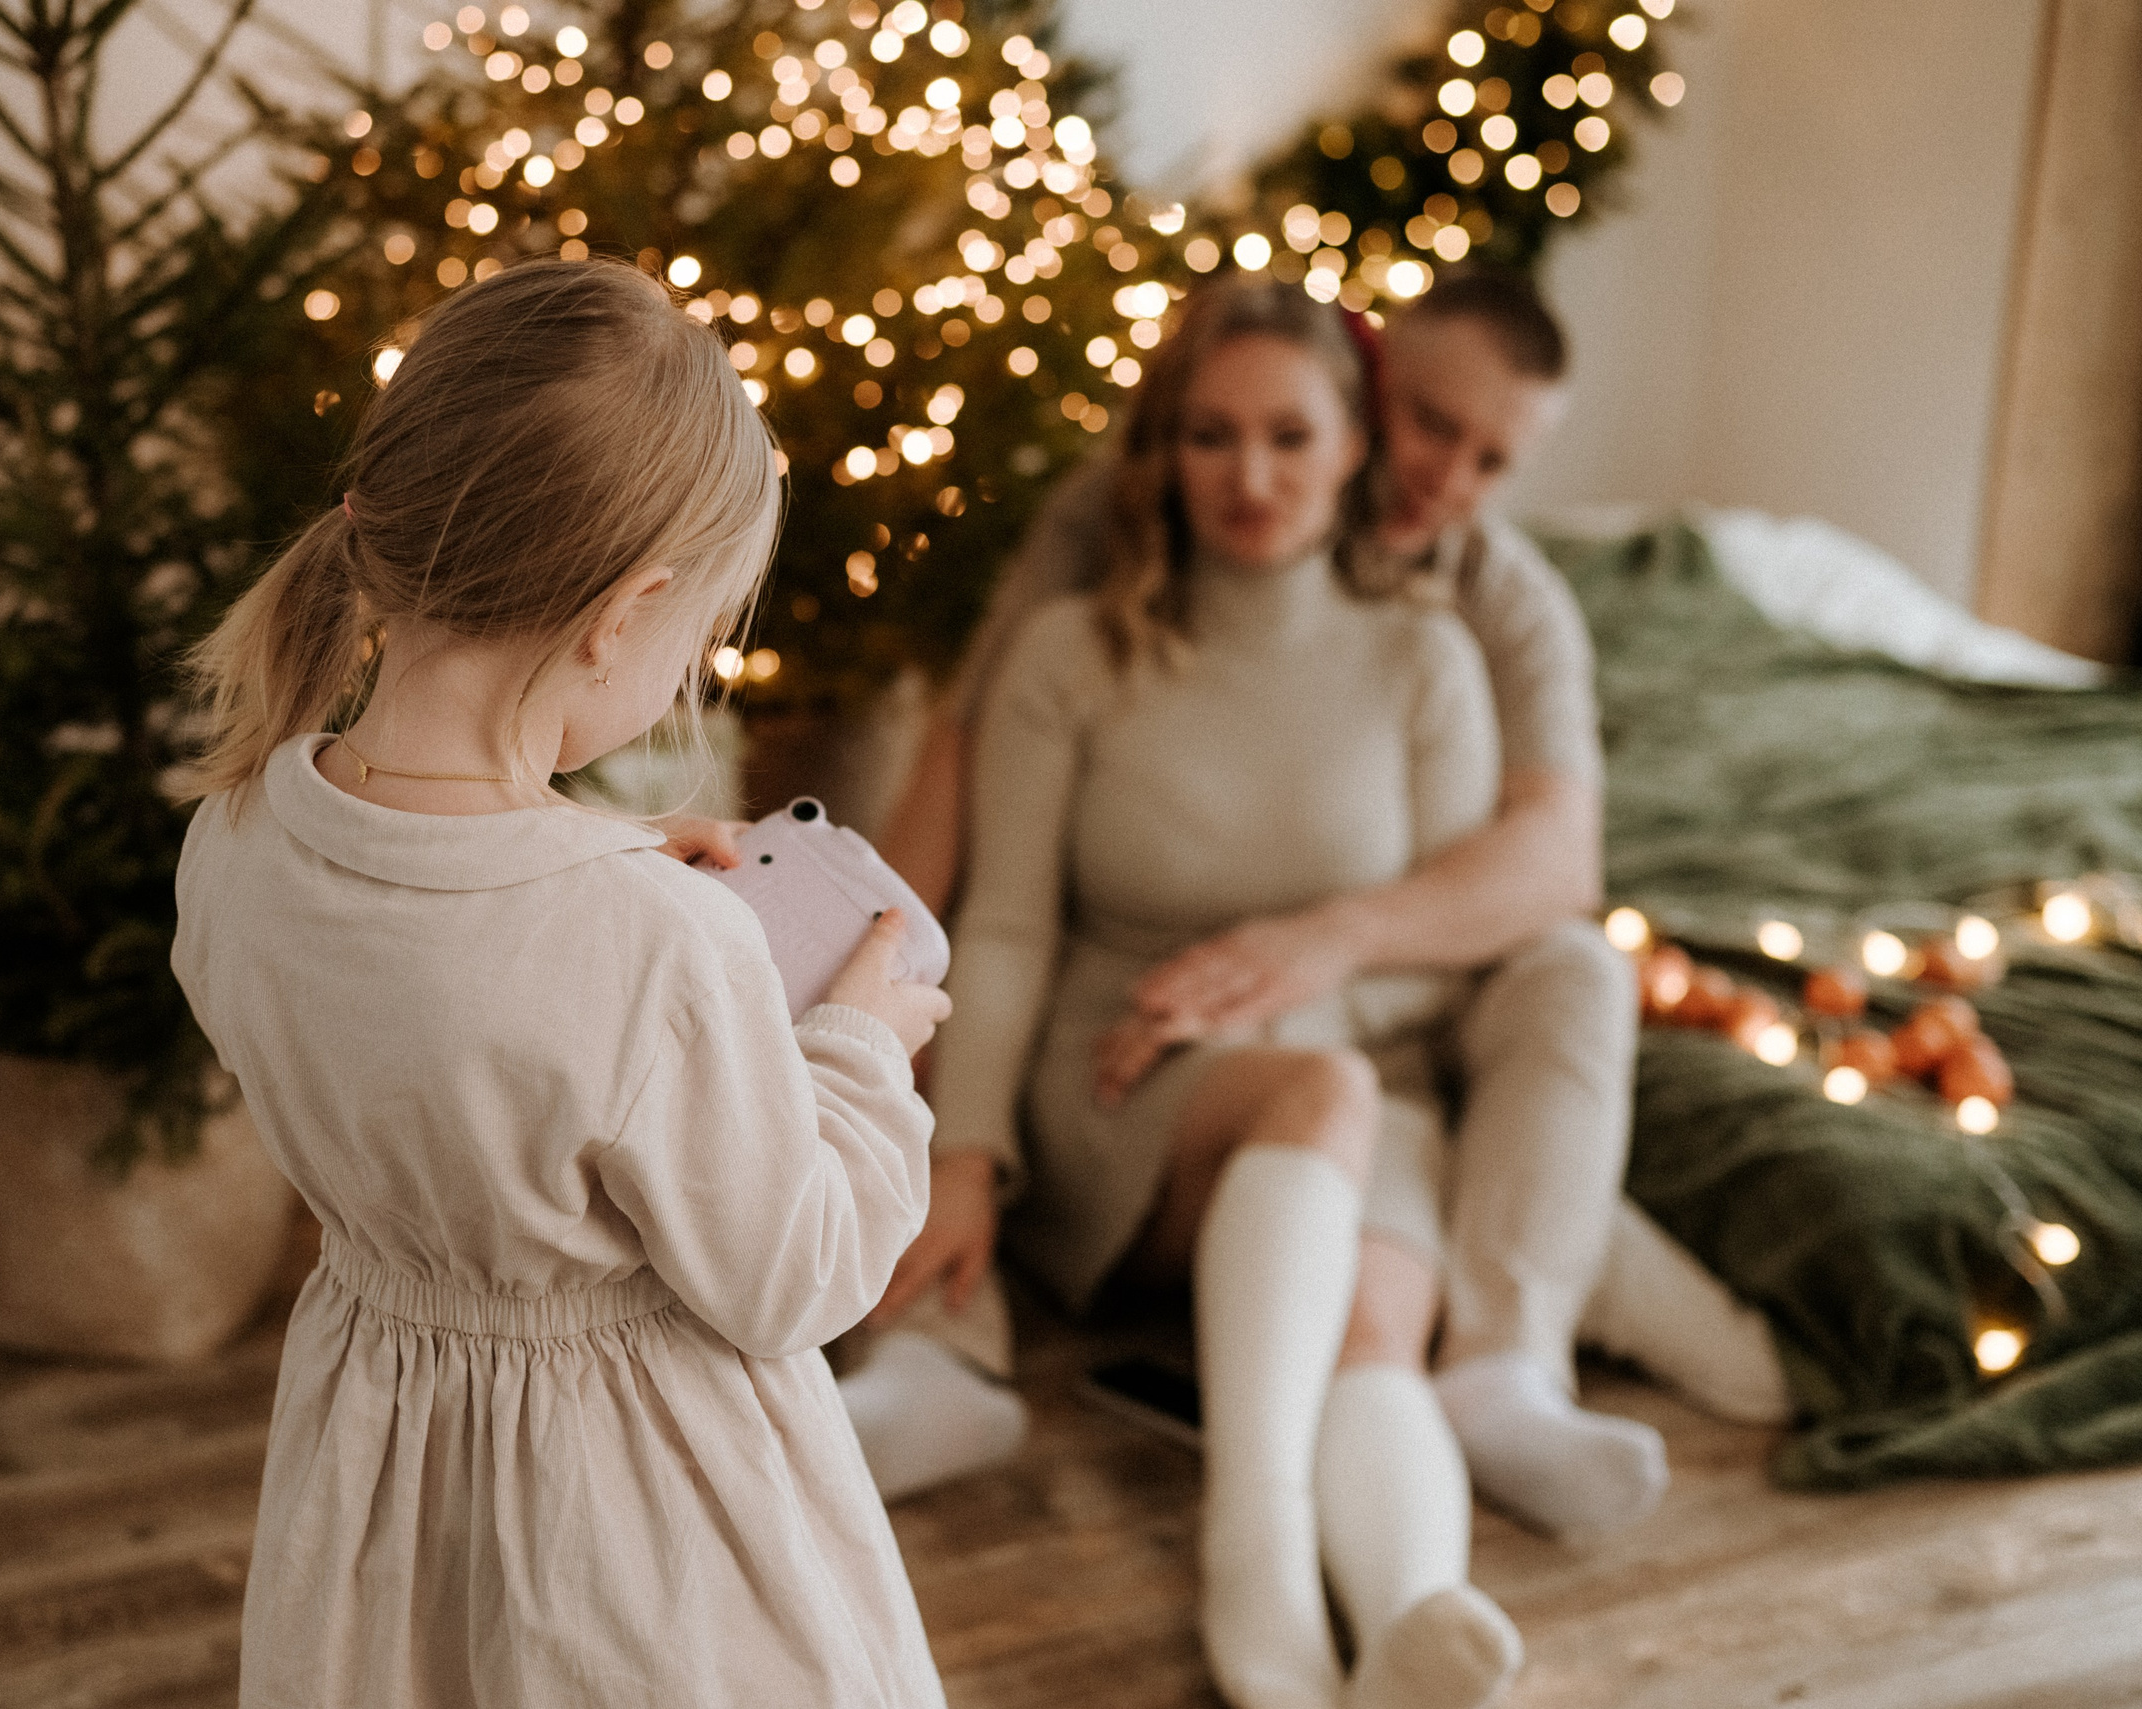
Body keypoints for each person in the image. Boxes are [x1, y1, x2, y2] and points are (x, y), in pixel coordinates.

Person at [170, 260, 953, 1709]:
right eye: (697, 637)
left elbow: (433, 966)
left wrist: (607, 855)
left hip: (377, 1466)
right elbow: (792, 1275)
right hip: (638, 1536)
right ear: (623, 612)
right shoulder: (661, 945)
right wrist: (860, 1045)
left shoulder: (238, 835)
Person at [847, 271, 1671, 1542]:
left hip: (1372, 998)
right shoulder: (1110, 543)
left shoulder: (1483, 610)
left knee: (1575, 968)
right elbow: (963, 753)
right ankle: (935, 1341)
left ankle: (1504, 1369)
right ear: (1374, 390)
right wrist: (878, 966)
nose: (1446, 477)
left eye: (1491, 459)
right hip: (1131, 1032)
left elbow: (1557, 862)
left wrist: (1313, 953)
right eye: (1431, 424)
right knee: (914, 964)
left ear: (1338, 436)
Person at [934, 276, 1527, 1708]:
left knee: (1376, 1319)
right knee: (1321, 1096)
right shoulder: (1073, 651)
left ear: (1353, 448)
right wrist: (961, 1153)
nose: (1249, 477)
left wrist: (1275, 992)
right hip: (1119, 1076)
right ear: (1162, 452)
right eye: (1210, 435)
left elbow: (1440, 954)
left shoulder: (1426, 659)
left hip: (1352, 1067)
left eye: (1288, 436)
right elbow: (1001, 927)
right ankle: (1250, 1556)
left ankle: (1414, 1624)